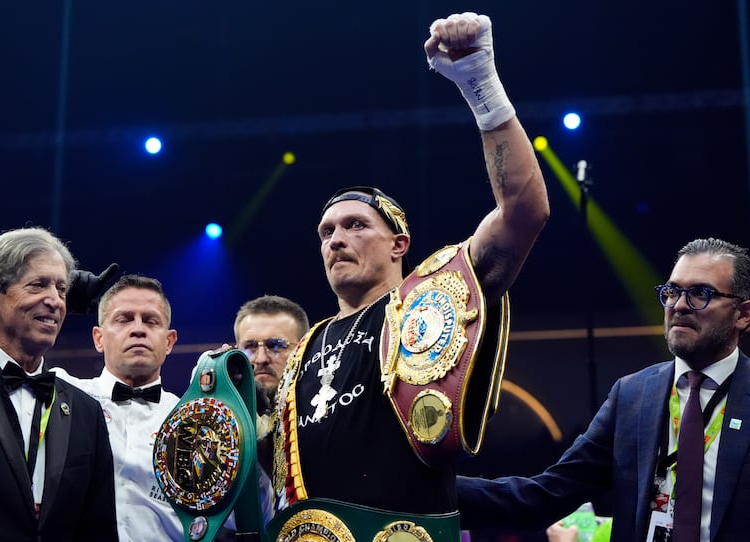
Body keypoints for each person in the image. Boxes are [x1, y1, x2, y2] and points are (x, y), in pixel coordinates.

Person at [267, 11, 549, 540]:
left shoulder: (432, 300)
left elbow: (523, 211)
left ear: (399, 244)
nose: (335, 239)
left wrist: (479, 81)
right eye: (326, 232)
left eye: (354, 225)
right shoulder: (303, 347)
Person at [456, 238, 750, 542]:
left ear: (743, 314)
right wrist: (425, 486)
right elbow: (545, 496)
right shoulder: (632, 396)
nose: (678, 305)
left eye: (700, 293)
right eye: (672, 291)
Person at [53, 274, 276, 542]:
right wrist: (57, 300)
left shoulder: (197, 422)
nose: (138, 329)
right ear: (98, 338)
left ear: (169, 341)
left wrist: (245, 422)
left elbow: (253, 517)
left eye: (150, 320)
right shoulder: (64, 393)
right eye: (124, 319)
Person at [0, 226, 118, 540]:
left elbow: (98, 531)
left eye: (62, 289)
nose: (55, 300)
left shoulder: (86, 412)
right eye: (38, 284)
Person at [233, 294, 310, 477]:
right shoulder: (223, 420)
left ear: (303, 349)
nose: (261, 359)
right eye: (250, 346)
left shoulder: (324, 418)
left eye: (276, 345)